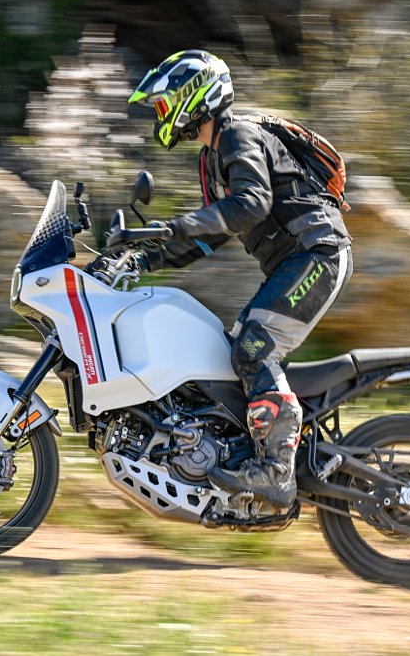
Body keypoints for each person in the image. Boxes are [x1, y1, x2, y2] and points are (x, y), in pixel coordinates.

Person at [126, 50, 353, 509]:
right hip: (297, 262)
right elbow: (212, 235)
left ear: (195, 98)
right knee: (232, 349)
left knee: (254, 347)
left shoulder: (237, 135)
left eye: (165, 104)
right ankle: (253, 449)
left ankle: (275, 472)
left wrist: (177, 225)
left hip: (317, 254)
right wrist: (143, 258)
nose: (161, 114)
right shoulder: (212, 158)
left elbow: (251, 205)